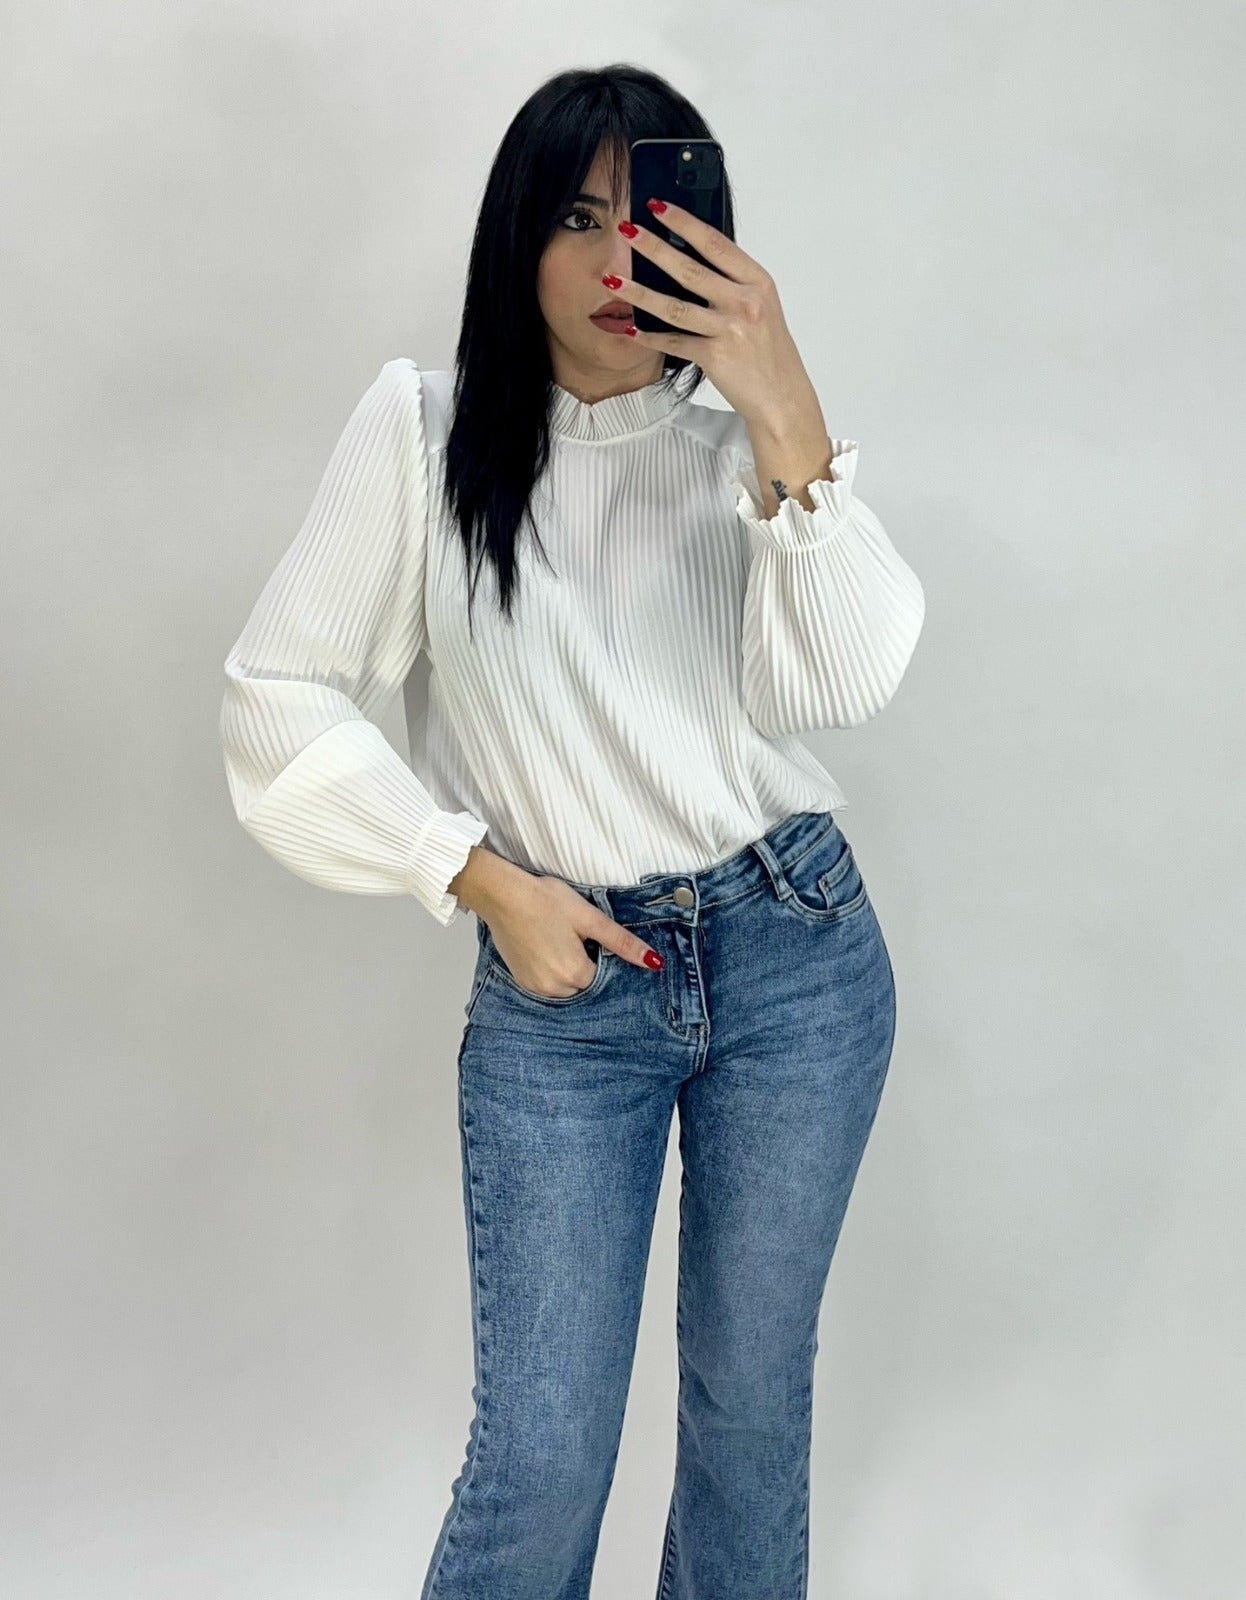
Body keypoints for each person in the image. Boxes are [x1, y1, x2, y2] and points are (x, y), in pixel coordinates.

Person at [219, 62, 925, 1600]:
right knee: (540, 1451)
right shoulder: (423, 435)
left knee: (748, 1420)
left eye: (649, 220)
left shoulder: (744, 454)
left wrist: (783, 403)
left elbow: (845, 680)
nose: (616, 263)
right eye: (576, 219)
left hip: (793, 952)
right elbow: (276, 696)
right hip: (564, 979)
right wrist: (474, 878)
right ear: (515, 239)